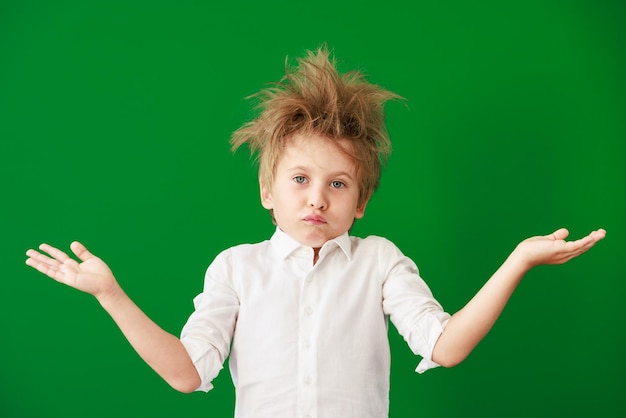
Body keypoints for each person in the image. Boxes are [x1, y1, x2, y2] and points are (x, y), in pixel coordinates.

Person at [25, 46, 606, 418]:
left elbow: (444, 346)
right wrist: (111, 294)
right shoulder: (235, 268)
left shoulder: (379, 261)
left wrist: (518, 262)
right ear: (266, 192)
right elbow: (187, 374)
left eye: (338, 184)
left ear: (360, 203)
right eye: (300, 178)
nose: (316, 197)